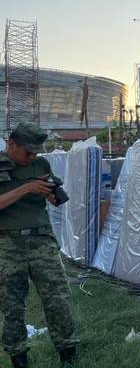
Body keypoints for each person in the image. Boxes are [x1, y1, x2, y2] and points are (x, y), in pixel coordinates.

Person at [0, 123, 77, 368]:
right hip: (7, 243)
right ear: (11, 144)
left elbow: (50, 201)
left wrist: (52, 195)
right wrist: (26, 188)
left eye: (35, 152)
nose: (32, 157)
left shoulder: (41, 165)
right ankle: (18, 356)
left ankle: (67, 352)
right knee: (11, 304)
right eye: (27, 152)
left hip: (41, 239)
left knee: (58, 297)